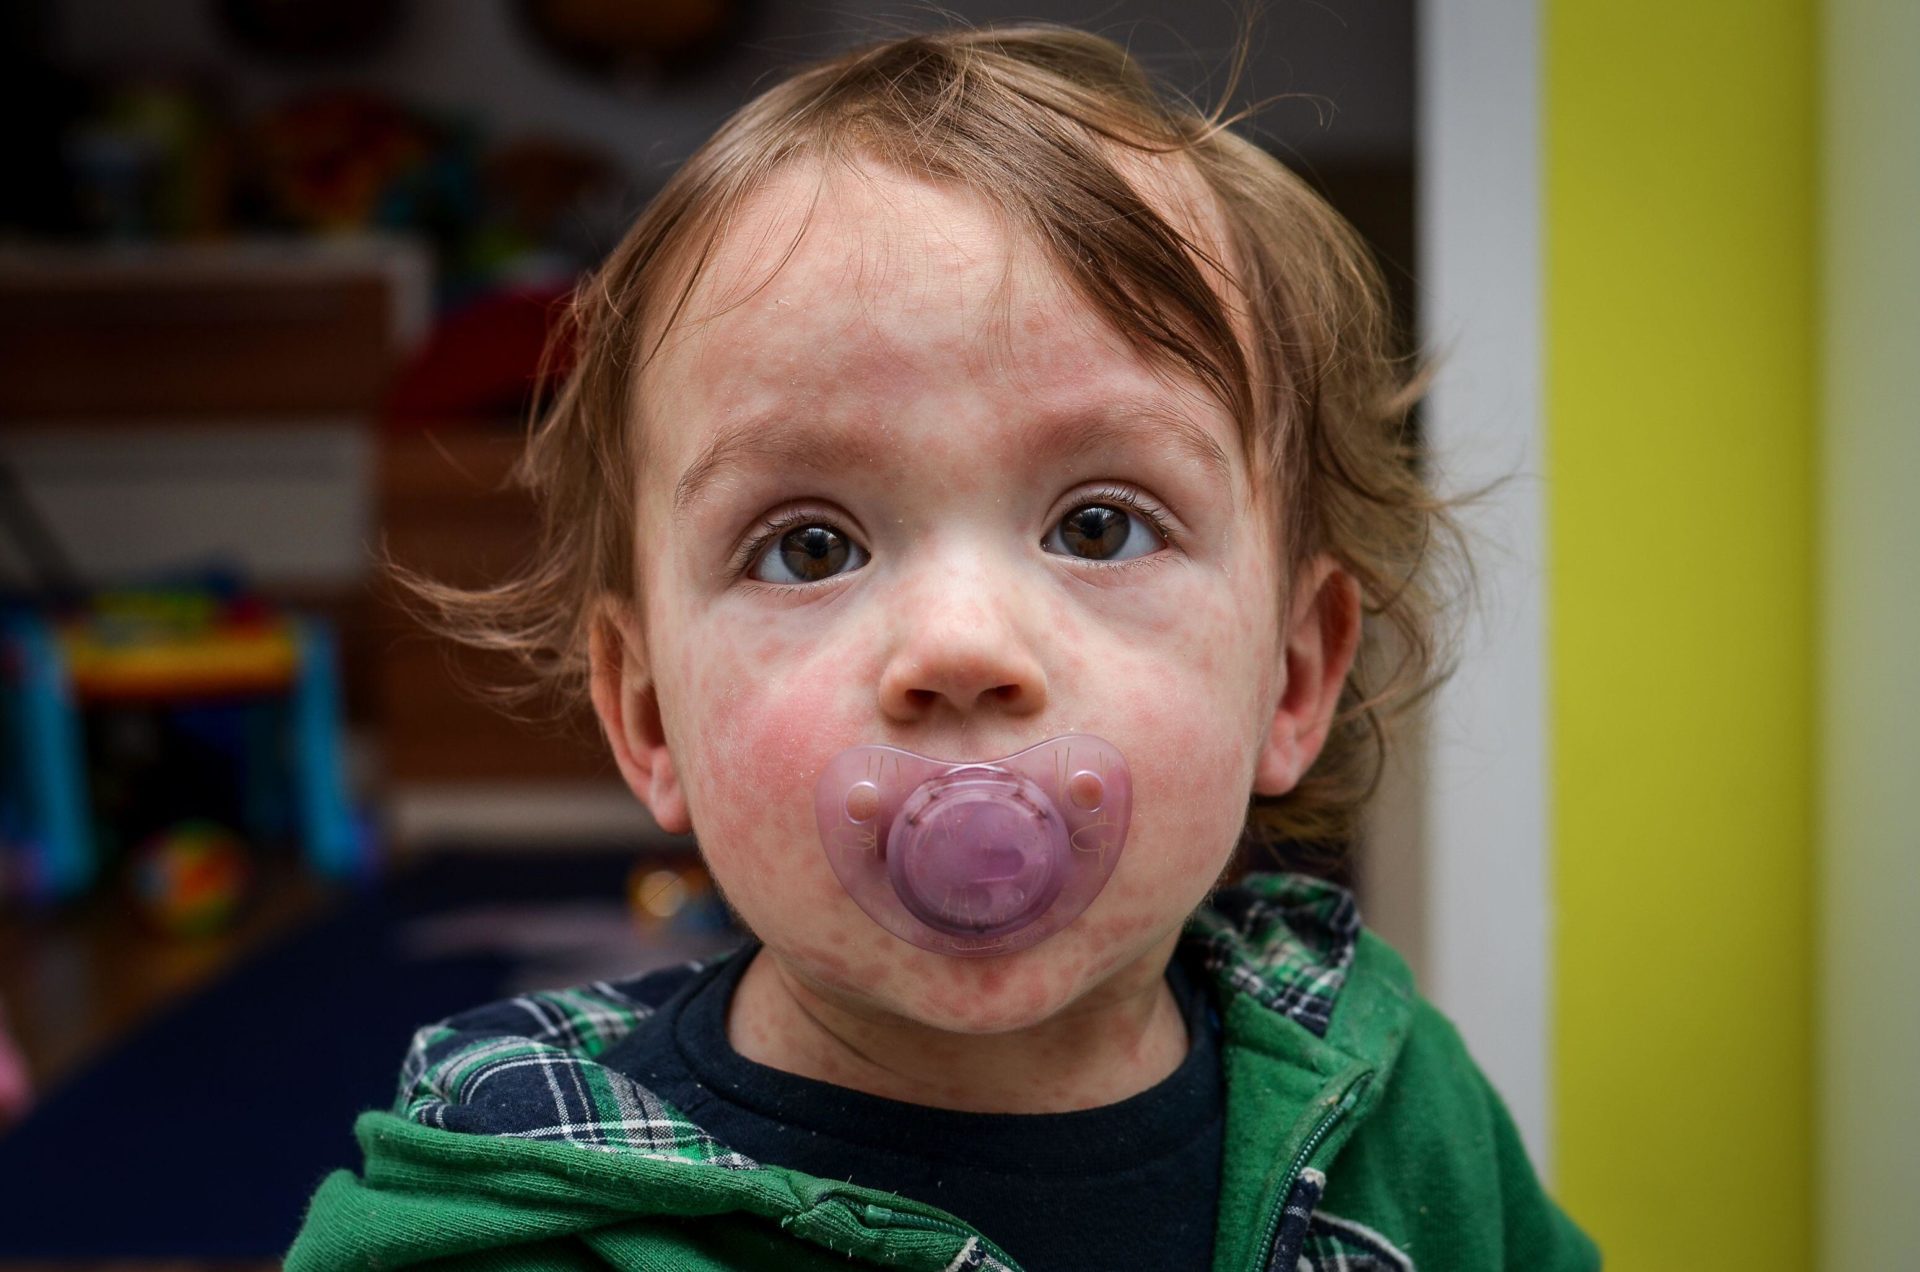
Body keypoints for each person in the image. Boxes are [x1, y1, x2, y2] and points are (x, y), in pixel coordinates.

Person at [289, 23, 1599, 1272]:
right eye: (810, 546)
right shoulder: (522, 1233)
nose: (961, 647)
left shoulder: (1399, 1111)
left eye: (1100, 524)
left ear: (1296, 678)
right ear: (646, 718)